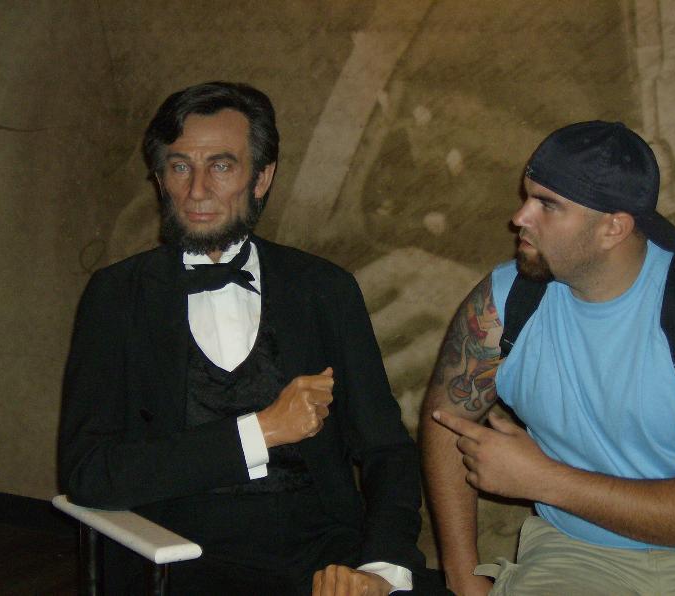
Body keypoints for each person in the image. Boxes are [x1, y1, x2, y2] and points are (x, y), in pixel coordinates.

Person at [58, 81, 441, 595]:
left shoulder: (324, 288)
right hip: (173, 549)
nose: (197, 190)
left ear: (262, 178)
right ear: (160, 179)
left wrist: (382, 570)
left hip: (321, 546)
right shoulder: (116, 295)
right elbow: (88, 472)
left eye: (221, 166)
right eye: (179, 167)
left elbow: (386, 450)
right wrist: (261, 431)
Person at [420, 121, 675, 595]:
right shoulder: (503, 302)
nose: (519, 217)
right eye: (528, 197)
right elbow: (446, 420)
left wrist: (544, 480)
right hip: (578, 550)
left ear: (613, 228)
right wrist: (461, 572)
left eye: (547, 205)